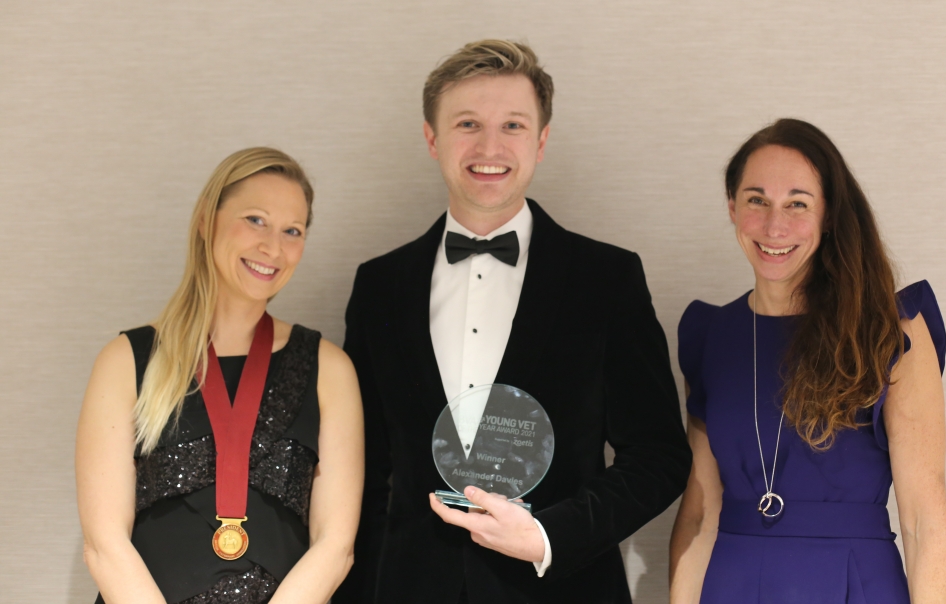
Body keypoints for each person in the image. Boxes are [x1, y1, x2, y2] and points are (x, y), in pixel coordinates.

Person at [335, 39, 692, 604]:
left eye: (514, 126)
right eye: (468, 124)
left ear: (542, 141)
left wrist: (550, 535)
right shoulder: (380, 286)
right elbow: (362, 475)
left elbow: (660, 457)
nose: (490, 146)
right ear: (432, 138)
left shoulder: (607, 278)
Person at [668, 119, 946, 603]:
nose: (774, 226)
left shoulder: (893, 330)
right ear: (732, 207)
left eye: (797, 204)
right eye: (757, 200)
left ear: (828, 215)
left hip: (854, 583)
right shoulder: (709, 334)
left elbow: (924, 520)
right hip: (730, 583)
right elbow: (699, 513)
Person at [76, 147, 364, 604]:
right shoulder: (124, 361)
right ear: (207, 221)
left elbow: (336, 547)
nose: (273, 246)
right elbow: (104, 546)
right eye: (255, 220)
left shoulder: (330, 369)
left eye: (293, 230)